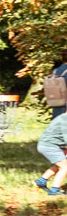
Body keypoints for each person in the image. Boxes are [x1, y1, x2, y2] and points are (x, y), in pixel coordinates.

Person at [33, 58, 67, 197]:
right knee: (64, 164)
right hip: (62, 118)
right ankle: (55, 190)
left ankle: (42, 180)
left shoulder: (59, 69)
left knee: (61, 160)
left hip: (58, 109)